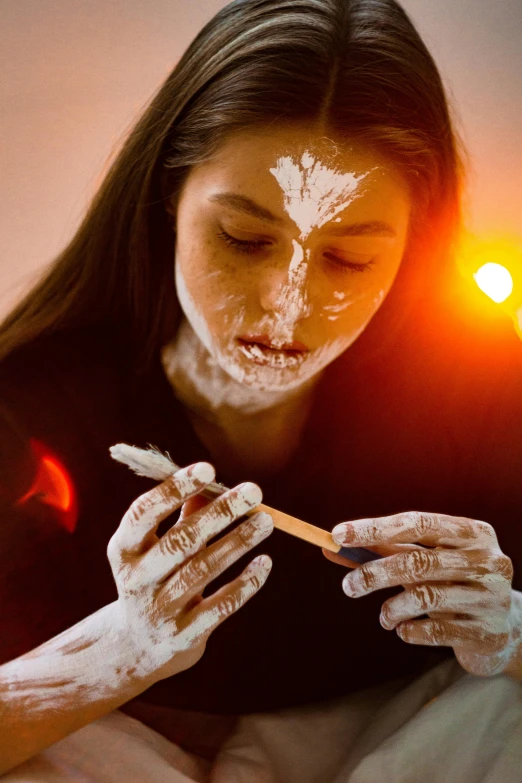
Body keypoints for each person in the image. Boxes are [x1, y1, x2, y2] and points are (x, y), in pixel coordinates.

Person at [0, 0, 521, 780]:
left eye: (349, 257)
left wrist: (513, 632)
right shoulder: (32, 406)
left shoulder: (481, 385)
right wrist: (112, 657)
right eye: (243, 238)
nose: (288, 304)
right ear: (167, 194)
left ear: (414, 247)